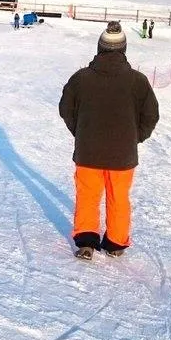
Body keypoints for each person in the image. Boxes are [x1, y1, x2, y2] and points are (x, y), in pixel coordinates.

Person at [58, 21, 160, 260]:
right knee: (118, 199)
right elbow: (151, 115)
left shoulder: (80, 78)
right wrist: (134, 138)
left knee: (88, 196)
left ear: (100, 48)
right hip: (123, 155)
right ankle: (115, 243)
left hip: (88, 152)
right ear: (123, 49)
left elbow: (66, 109)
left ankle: (86, 242)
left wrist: (81, 133)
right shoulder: (138, 81)